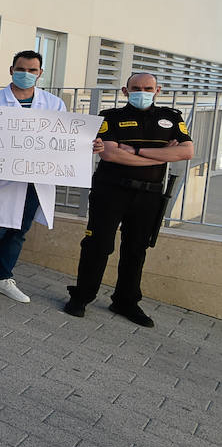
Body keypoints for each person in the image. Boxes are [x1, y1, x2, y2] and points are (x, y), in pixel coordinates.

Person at [64, 73, 192, 327]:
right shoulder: (110, 116)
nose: (141, 91)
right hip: (111, 191)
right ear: (125, 90)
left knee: (136, 249)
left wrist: (134, 150)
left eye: (147, 88)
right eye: (135, 88)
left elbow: (187, 151)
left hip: (150, 194)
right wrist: (165, 154)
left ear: (157, 90)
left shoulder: (172, 117)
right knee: (98, 245)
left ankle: (126, 301)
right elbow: (111, 155)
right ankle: (82, 297)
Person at [0, 50, 65, 303]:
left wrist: (86, 145)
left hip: (35, 179)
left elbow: (64, 140)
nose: (26, 74)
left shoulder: (53, 104)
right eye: (21, 69)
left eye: (32, 70)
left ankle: (3, 277)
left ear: (40, 73)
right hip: (1, 177)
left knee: (19, 230)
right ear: (11, 70)